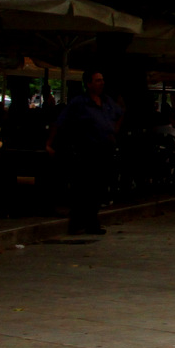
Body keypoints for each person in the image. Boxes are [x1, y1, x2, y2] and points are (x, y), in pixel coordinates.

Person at [45, 69, 123, 235]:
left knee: (99, 187)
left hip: (105, 148)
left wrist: (113, 130)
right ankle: (79, 222)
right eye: (97, 80)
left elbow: (120, 113)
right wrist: (50, 143)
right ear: (88, 84)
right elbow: (60, 122)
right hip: (87, 149)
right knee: (84, 187)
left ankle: (91, 221)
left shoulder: (107, 101)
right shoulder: (80, 103)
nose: (101, 83)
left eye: (102, 80)